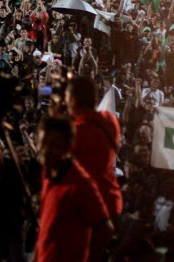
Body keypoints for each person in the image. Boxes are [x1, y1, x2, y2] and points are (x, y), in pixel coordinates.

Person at [35, 117, 113, 262]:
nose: (46, 150)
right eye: (43, 143)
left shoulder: (81, 183)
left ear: (68, 147)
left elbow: (105, 229)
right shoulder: (47, 174)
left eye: (54, 145)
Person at [66, 75, 124, 220]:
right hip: (111, 203)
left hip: (88, 208)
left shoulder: (77, 132)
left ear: (73, 101)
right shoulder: (111, 122)